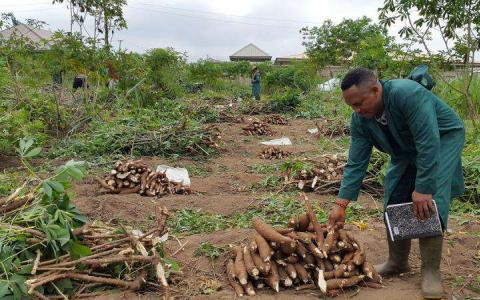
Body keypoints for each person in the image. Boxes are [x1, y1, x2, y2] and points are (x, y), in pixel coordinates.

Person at [327, 68, 465, 299]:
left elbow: (428, 142)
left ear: (376, 89)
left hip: (441, 139)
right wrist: (341, 204)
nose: (357, 110)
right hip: (406, 149)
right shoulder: (360, 120)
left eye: (360, 103)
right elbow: (356, 161)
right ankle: (398, 261)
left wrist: (423, 188)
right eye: (352, 106)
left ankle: (431, 271)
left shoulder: (407, 94)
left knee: (430, 202)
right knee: (394, 196)